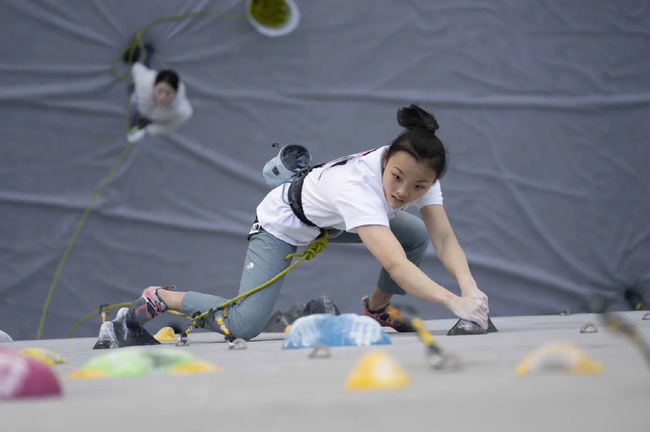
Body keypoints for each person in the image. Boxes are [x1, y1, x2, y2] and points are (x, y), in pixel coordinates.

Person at [125, 104, 490, 339]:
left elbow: (444, 237)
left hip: (328, 221)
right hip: (282, 224)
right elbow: (393, 261)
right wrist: (454, 303)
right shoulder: (357, 189)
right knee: (243, 325)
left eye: (419, 187)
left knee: (416, 234)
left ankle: (376, 309)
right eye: (396, 177)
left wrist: (470, 288)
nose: (403, 192)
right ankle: (161, 296)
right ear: (385, 161)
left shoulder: (418, 171)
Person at [125, 48, 193, 144]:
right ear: (154, 86)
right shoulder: (144, 81)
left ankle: (137, 128)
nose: (162, 97)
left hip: (148, 117)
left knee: (138, 125)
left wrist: (147, 131)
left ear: (176, 92)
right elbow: (137, 69)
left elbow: (168, 126)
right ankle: (147, 53)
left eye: (168, 93)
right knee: (143, 66)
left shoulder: (182, 111)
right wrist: (136, 93)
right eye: (160, 91)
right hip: (142, 99)